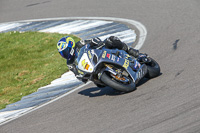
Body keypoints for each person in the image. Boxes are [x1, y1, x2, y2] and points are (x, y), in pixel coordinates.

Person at [57, 36, 139, 81]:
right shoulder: (70, 63)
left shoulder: (80, 44)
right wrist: (81, 76)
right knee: (99, 84)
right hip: (93, 72)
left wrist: (96, 42)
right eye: (62, 53)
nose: (64, 54)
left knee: (111, 40)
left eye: (65, 51)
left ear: (71, 45)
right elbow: (77, 74)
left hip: (99, 55)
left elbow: (93, 41)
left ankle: (130, 51)